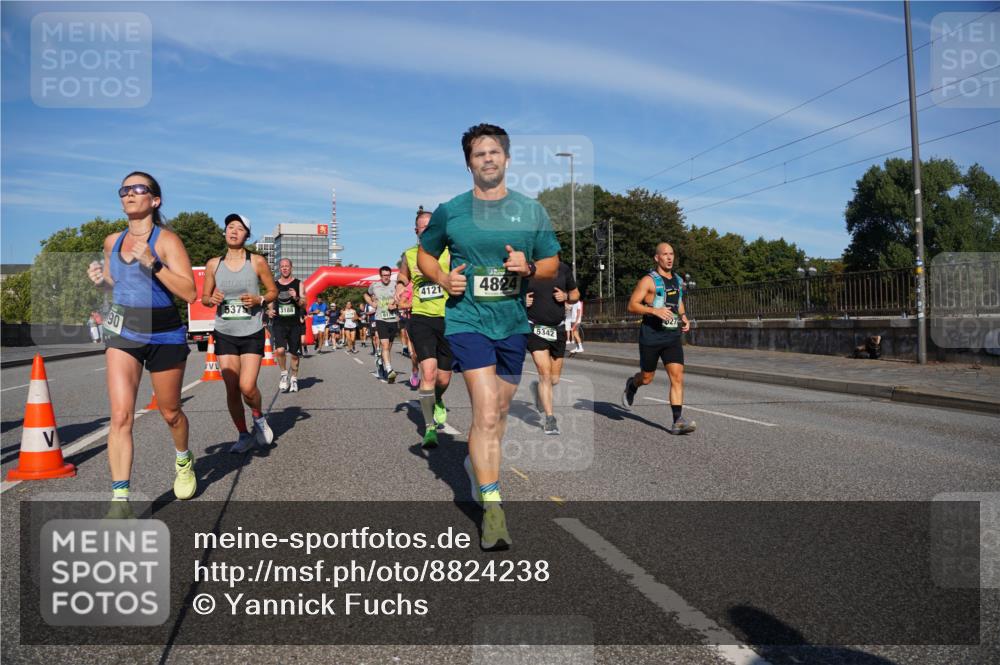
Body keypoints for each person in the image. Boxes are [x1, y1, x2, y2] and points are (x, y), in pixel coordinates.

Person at [418, 123, 560, 551]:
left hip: (513, 323)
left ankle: (475, 463)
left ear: (507, 159)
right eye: (479, 154)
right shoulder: (451, 210)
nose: (488, 159)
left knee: (497, 413)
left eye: (494, 152)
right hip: (468, 320)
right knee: (483, 411)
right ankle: (493, 507)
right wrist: (443, 276)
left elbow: (551, 261)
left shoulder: (530, 211)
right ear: (468, 163)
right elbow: (426, 254)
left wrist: (530, 269)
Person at [86, 171, 198, 511]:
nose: (130, 194)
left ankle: (183, 460)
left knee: (170, 412)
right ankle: (120, 502)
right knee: (120, 416)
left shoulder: (166, 241)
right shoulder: (112, 241)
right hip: (124, 331)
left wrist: (154, 263)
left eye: (139, 189)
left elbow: (190, 293)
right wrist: (99, 282)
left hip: (164, 331)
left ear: (155, 200)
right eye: (125, 189)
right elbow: (112, 283)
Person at [202, 213, 279, 453]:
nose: (234, 231)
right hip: (224, 331)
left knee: (247, 386)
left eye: (240, 228)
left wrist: (260, 298)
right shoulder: (214, 264)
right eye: (230, 227)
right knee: (232, 387)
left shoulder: (256, 261)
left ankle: (258, 417)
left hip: (252, 330)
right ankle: (243, 434)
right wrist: (210, 298)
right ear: (224, 232)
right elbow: (204, 298)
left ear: (247, 235)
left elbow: (273, 291)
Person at [620, 242, 696, 435]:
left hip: (671, 336)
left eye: (672, 254)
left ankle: (677, 420)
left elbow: (677, 302)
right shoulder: (648, 281)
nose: (669, 258)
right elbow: (632, 305)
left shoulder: (678, 280)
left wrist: (684, 316)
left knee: (677, 377)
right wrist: (654, 310)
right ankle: (632, 384)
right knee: (647, 378)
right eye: (665, 254)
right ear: (657, 258)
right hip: (651, 336)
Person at [397, 206, 454, 448]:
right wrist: (400, 289)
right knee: (428, 373)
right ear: (416, 230)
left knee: (443, 378)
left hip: (449, 318)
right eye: (424, 227)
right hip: (421, 318)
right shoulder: (410, 254)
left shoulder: (450, 252)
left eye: (432, 226)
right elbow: (402, 277)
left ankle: (438, 399)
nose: (428, 230)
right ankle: (430, 427)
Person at [526, 257, 579, 434]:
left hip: (558, 329)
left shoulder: (563, 269)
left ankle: (539, 391)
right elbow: (511, 294)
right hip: (535, 327)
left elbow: (576, 294)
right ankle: (550, 419)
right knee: (545, 373)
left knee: (554, 379)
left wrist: (566, 297)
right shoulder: (527, 270)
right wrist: (522, 300)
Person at [267, 258, 306, 393]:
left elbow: (303, 303)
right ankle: (284, 374)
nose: (284, 268)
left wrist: (296, 297)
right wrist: (269, 310)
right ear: (279, 268)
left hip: (294, 324)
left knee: (294, 354)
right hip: (279, 323)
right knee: (280, 351)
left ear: (291, 268)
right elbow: (270, 301)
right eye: (282, 266)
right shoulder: (274, 284)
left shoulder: (298, 283)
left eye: (287, 266)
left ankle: (294, 378)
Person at [365, 266, 400, 383]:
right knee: (384, 345)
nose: (386, 277)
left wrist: (395, 305)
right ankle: (389, 370)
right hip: (380, 319)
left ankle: (381, 362)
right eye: (384, 275)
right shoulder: (374, 286)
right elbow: (366, 294)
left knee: (388, 347)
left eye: (388, 275)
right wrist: (371, 303)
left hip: (393, 319)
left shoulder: (395, 285)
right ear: (380, 276)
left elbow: (402, 298)